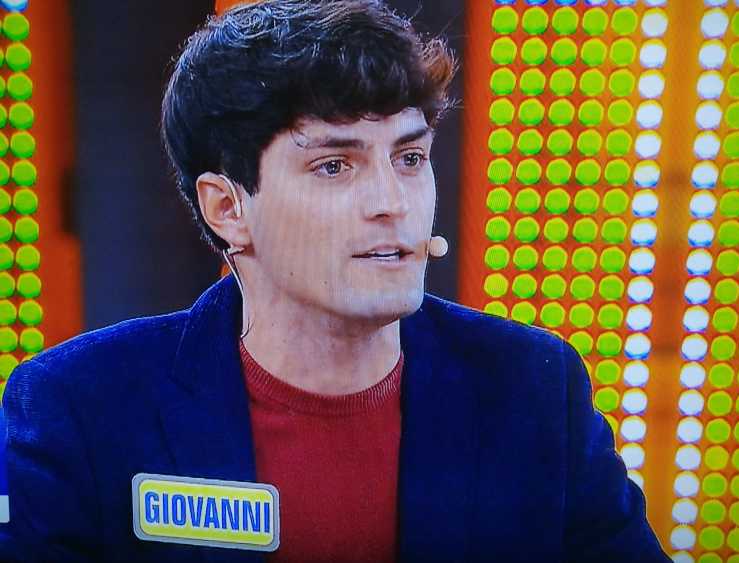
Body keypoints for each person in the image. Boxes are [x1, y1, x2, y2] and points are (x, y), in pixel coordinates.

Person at [0, 1, 670, 561]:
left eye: (410, 157)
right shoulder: (78, 408)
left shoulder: (533, 387)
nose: (393, 202)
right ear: (228, 208)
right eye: (334, 166)